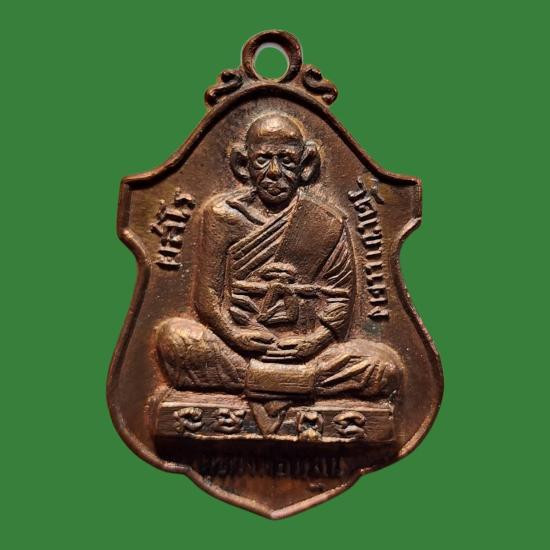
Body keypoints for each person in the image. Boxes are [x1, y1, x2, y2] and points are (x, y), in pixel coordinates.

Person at [157, 113, 401, 399]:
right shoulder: (223, 216)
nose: (274, 171)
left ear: (305, 165)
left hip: (306, 353)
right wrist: (235, 335)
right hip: (237, 348)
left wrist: (312, 343)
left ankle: (260, 380)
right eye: (263, 159)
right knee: (175, 340)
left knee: (383, 366)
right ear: (243, 164)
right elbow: (207, 297)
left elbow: (341, 298)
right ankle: (300, 383)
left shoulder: (326, 222)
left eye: (286, 160)